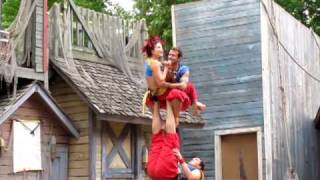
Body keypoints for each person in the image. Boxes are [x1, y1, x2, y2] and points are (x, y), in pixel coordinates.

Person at [142, 36, 191, 126]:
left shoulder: (148, 61)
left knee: (156, 118)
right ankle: (175, 119)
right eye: (159, 47)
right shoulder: (155, 63)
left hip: (152, 93)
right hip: (161, 92)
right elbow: (161, 82)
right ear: (152, 51)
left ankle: (164, 127)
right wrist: (166, 69)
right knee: (179, 94)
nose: (162, 50)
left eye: (161, 47)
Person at [163, 47, 206, 115]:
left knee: (190, 86)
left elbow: (183, 86)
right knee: (186, 87)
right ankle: (195, 104)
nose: (170, 57)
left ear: (179, 58)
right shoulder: (165, 66)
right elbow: (161, 82)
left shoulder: (183, 69)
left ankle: (194, 104)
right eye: (169, 55)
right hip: (167, 93)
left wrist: (167, 84)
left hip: (178, 93)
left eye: (173, 55)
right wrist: (167, 70)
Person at [147, 102, 181, 179]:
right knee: (156, 140)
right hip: (152, 173)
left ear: (200, 166)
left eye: (197, 160)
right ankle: (156, 101)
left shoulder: (197, 171)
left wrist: (181, 160)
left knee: (171, 141)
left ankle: (169, 101)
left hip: (167, 173)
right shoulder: (193, 168)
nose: (195, 159)